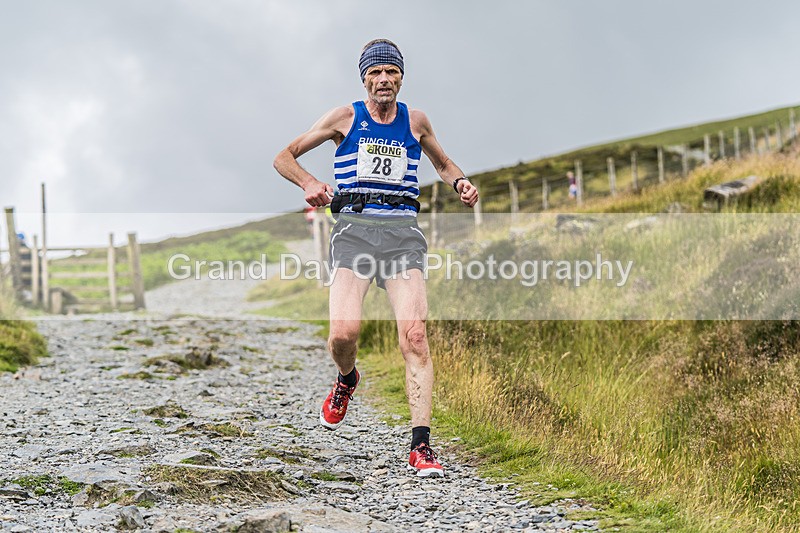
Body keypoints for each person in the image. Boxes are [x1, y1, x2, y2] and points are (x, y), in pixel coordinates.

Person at [274, 39, 478, 477]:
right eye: (375, 73)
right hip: (355, 234)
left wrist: (460, 181)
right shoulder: (345, 117)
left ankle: (421, 446)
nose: (384, 80)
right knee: (343, 335)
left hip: (403, 237)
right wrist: (308, 182)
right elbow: (283, 157)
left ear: (401, 77)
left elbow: (442, 164)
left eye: (391, 72)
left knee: (416, 337)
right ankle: (347, 378)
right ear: (364, 78)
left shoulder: (416, 120)